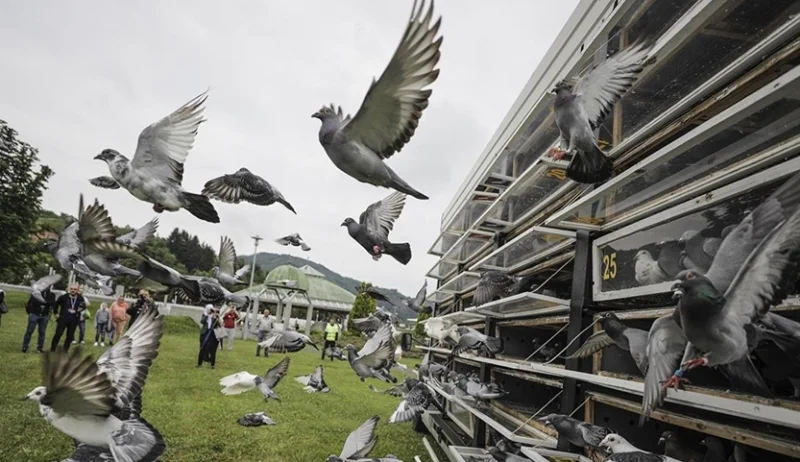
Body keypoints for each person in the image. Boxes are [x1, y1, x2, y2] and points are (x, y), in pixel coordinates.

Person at [50, 283, 87, 352]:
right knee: (58, 333)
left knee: (70, 336)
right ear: (69, 289)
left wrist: (81, 308)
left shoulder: (80, 298)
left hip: (74, 319)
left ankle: (65, 350)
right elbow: (56, 304)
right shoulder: (63, 297)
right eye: (71, 289)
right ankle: (53, 349)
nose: (73, 290)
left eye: (75, 289)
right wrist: (56, 313)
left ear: (78, 290)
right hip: (63, 318)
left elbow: (84, 305)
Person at [22, 287, 57, 353]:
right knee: (29, 331)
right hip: (34, 314)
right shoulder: (35, 294)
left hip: (44, 315)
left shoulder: (52, 295)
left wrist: (43, 302)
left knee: (42, 332)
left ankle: (40, 348)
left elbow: (52, 303)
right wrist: (30, 312)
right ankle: (25, 346)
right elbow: (32, 302)